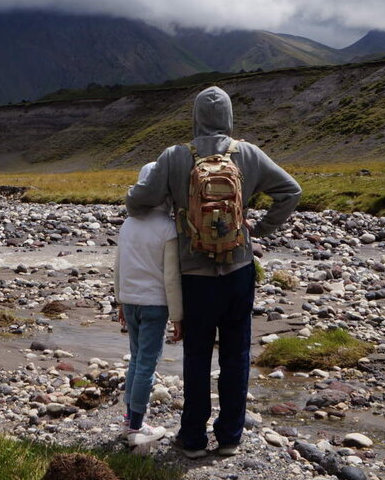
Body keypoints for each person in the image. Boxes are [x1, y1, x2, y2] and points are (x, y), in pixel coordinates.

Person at [127, 86, 300, 459]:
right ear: (230, 117)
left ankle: (192, 438)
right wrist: (260, 229)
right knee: (236, 353)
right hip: (238, 269)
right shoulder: (249, 154)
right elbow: (291, 191)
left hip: (194, 275)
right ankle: (230, 437)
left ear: (194, 117)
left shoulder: (174, 157)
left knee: (198, 354)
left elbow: (138, 200)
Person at [114, 162, 183, 446]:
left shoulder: (128, 224)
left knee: (135, 360)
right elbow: (171, 278)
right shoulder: (168, 229)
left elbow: (118, 266)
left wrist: (119, 300)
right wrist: (178, 316)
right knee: (147, 363)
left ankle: (130, 420)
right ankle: (136, 427)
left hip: (130, 301)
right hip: (155, 304)